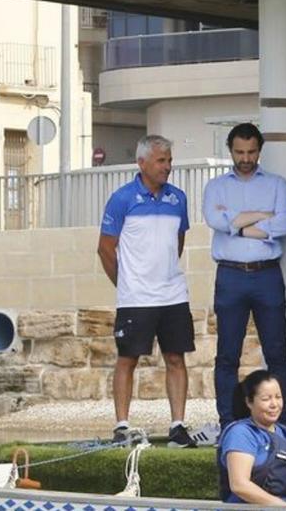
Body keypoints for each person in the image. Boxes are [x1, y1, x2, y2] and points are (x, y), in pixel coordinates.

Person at [97, 134, 196, 447]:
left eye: (169, 160)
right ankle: (122, 426)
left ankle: (178, 426)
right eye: (161, 161)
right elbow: (105, 248)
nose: (167, 166)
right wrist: (126, 283)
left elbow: (177, 242)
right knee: (128, 358)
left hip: (173, 295)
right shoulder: (122, 198)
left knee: (176, 358)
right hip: (135, 298)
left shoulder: (178, 198)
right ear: (142, 163)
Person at [203, 123, 286, 428]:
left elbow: (283, 226)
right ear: (230, 150)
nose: (245, 158)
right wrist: (261, 217)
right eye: (239, 152)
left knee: (277, 352)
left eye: (251, 152)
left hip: (267, 275)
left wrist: (235, 223)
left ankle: (281, 423)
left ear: (260, 150)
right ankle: (229, 421)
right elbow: (214, 219)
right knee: (227, 354)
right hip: (230, 275)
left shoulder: (277, 184)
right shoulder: (216, 187)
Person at [218, 369, 286, 506]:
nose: (274, 404)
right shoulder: (241, 434)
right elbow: (239, 485)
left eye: (278, 397)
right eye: (266, 399)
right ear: (249, 402)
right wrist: (283, 507)